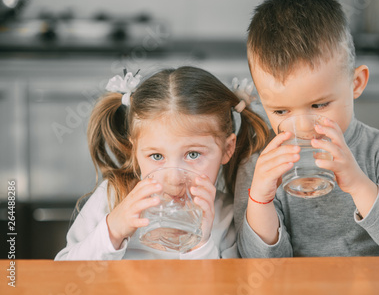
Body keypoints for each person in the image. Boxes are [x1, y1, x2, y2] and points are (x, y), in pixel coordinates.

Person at [234, 0, 379, 257]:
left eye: (319, 105)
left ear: (356, 83)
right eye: (281, 112)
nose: (303, 126)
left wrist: (357, 183)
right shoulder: (259, 165)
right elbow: (258, 266)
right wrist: (260, 199)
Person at [55, 66, 268, 260]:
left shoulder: (226, 215)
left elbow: (225, 286)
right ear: (135, 151)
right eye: (157, 156)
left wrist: (200, 245)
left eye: (193, 155)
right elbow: (64, 273)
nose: (174, 179)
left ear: (227, 149)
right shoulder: (112, 197)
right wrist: (113, 230)